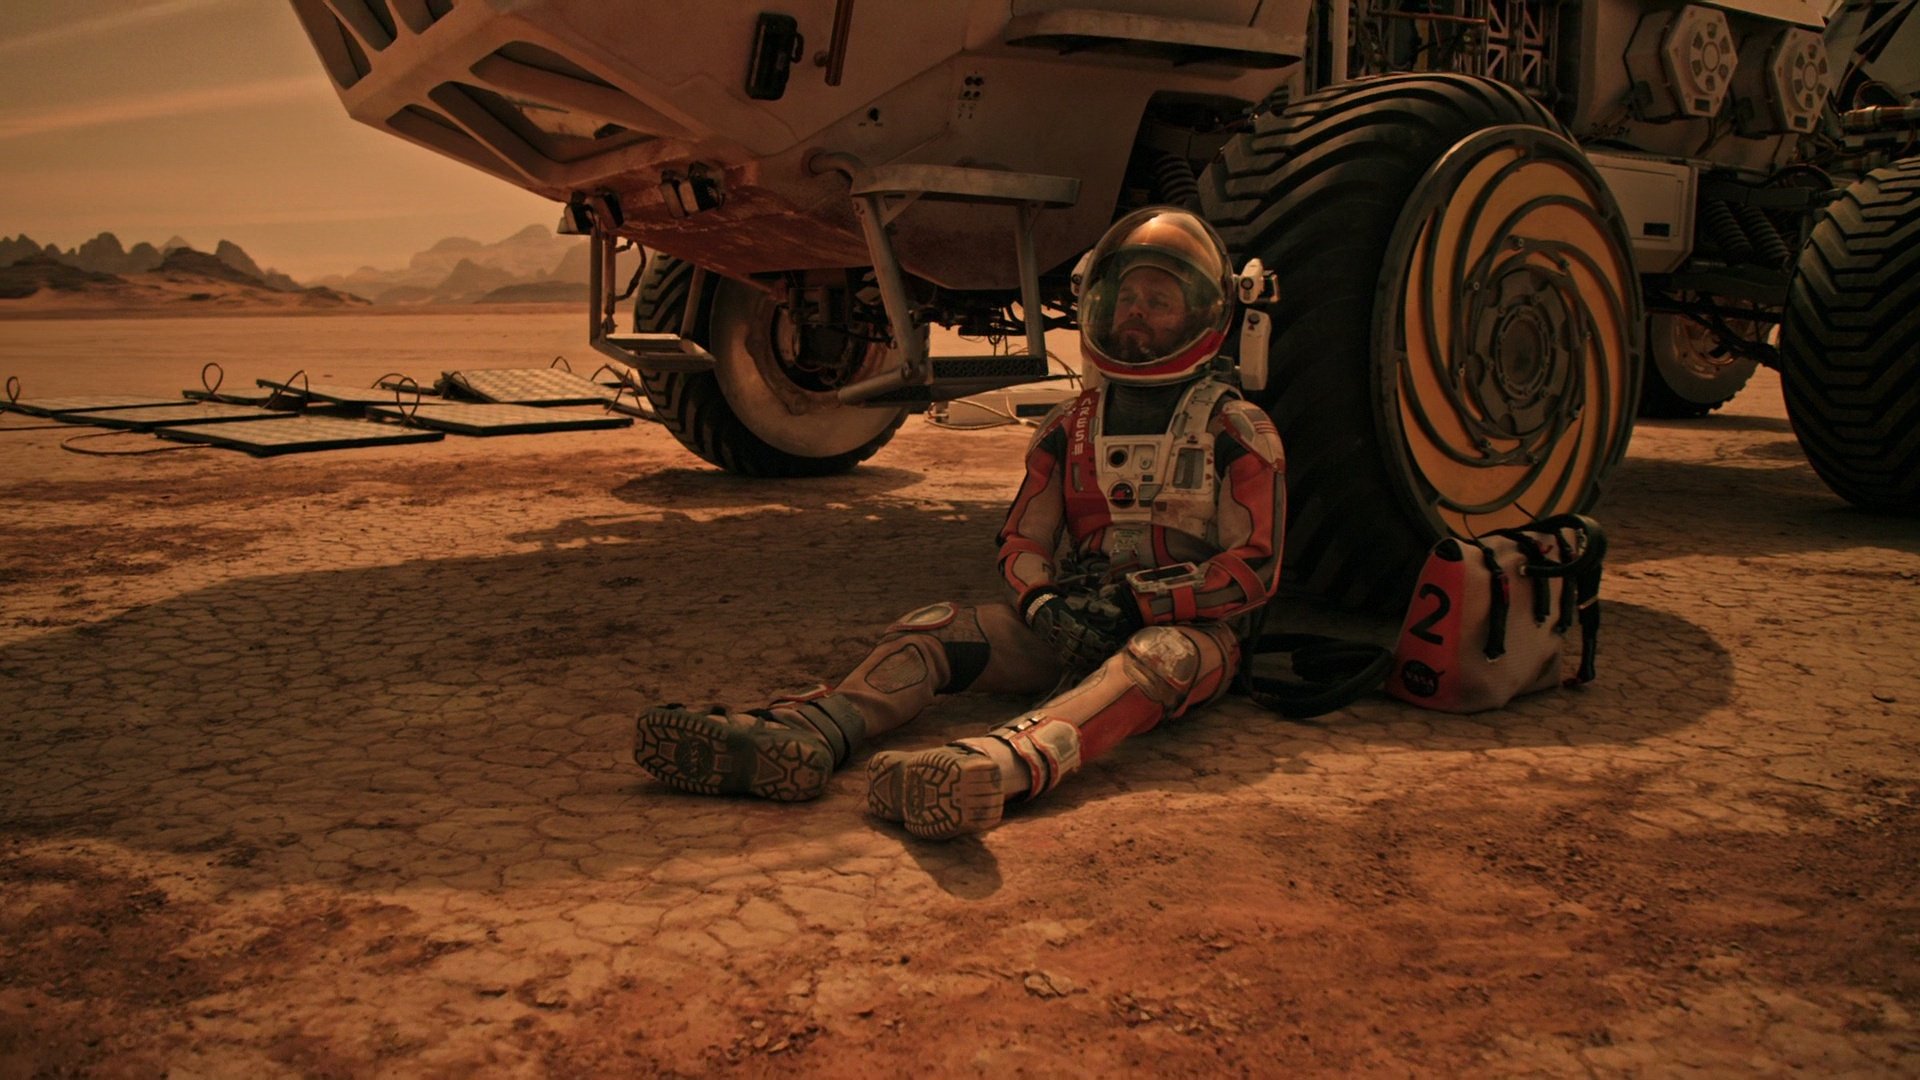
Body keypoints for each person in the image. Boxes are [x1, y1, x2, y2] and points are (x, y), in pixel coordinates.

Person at [634, 207, 1287, 840]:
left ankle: (997, 768)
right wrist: (1044, 603)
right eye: (1128, 298)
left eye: (1159, 301)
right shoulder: (1072, 425)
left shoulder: (1234, 427)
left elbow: (1254, 565)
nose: (1136, 312)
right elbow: (1024, 539)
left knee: (1159, 657)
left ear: (1203, 317)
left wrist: (1139, 603)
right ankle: (811, 729)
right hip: (1075, 617)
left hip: (1193, 634)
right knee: (936, 629)